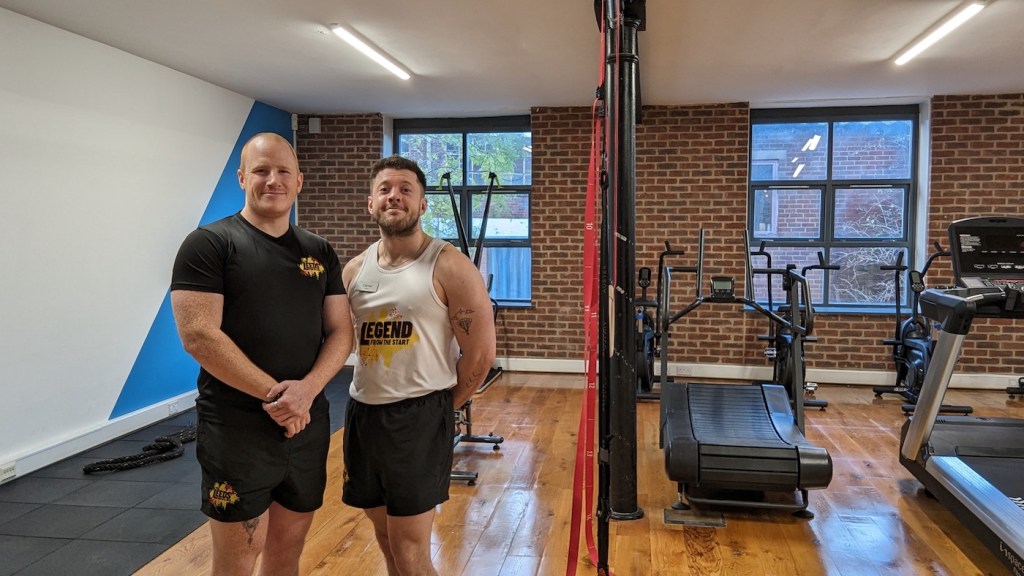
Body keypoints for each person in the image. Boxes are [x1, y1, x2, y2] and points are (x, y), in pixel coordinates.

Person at [170, 132, 352, 576]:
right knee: (237, 559)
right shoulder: (209, 244)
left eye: (283, 171)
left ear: (299, 181)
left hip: (306, 422)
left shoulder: (318, 251)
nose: (273, 180)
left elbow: (341, 331)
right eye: (261, 170)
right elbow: (198, 335)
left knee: (287, 549)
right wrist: (278, 397)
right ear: (242, 178)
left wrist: (306, 392)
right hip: (238, 429)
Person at [341, 155, 497, 575]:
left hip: (419, 415)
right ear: (370, 203)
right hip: (362, 414)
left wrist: (444, 407)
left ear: (423, 204)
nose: (395, 196)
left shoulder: (449, 265)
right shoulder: (355, 270)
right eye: (385, 189)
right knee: (387, 541)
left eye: (406, 189)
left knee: (410, 551)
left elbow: (480, 355)